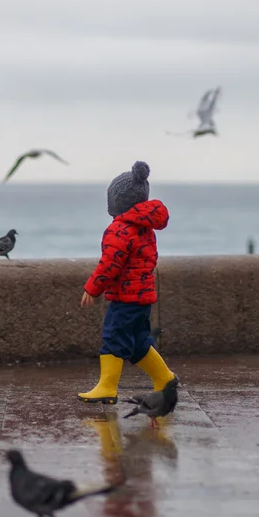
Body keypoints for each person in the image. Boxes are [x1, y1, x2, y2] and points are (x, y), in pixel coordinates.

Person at [79, 161, 177, 404]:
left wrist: (92, 288)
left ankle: (107, 388)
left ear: (117, 201)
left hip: (125, 298)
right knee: (138, 343)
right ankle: (165, 378)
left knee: (113, 338)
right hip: (142, 298)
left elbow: (110, 264)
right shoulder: (145, 228)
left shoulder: (120, 229)